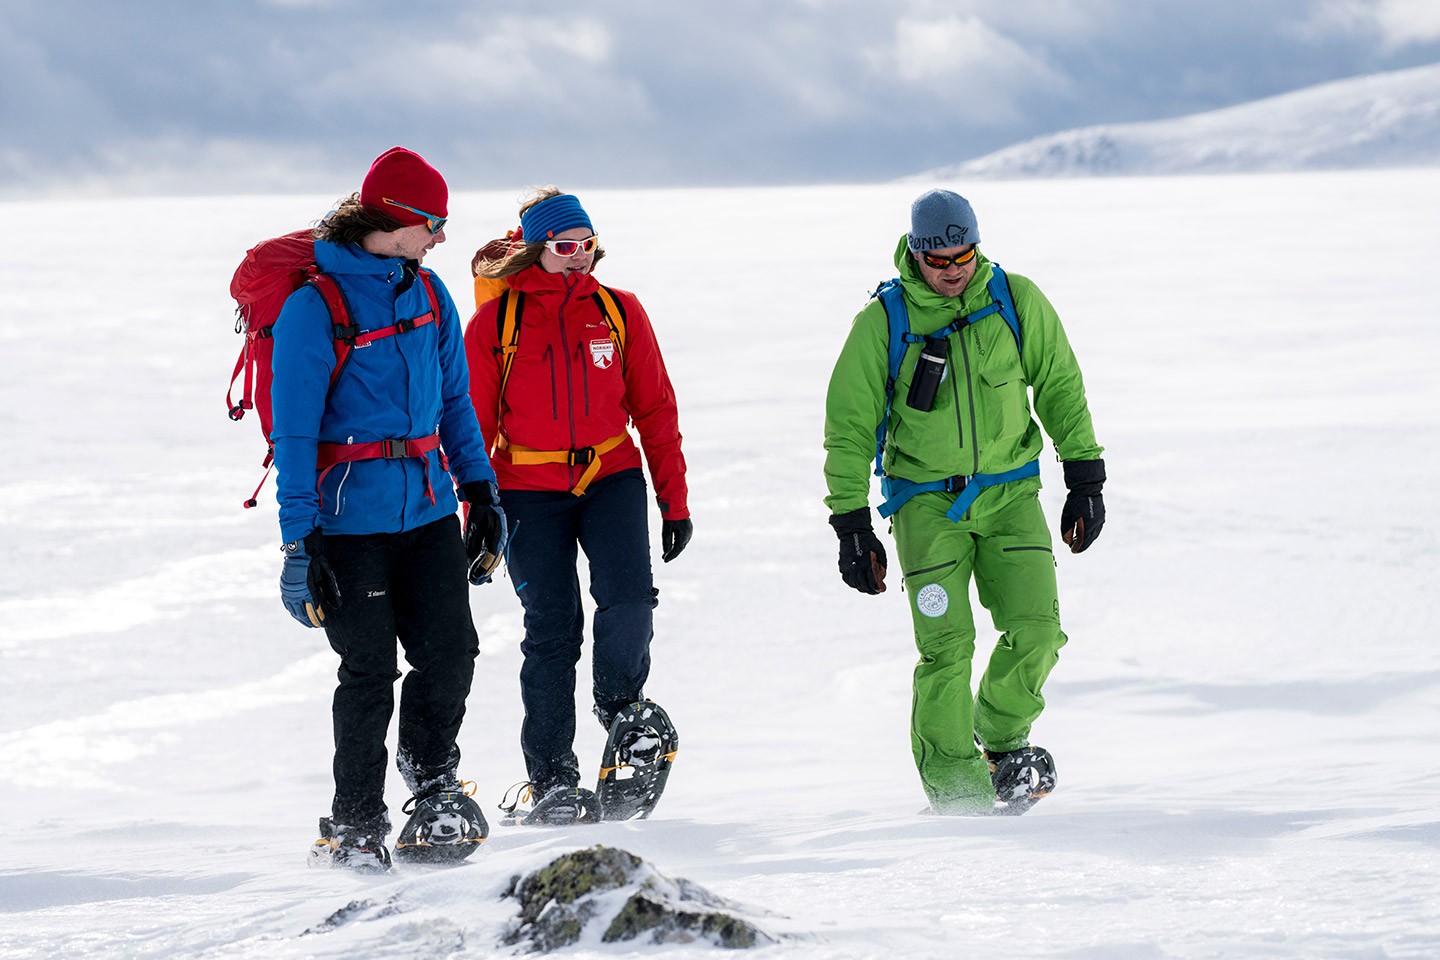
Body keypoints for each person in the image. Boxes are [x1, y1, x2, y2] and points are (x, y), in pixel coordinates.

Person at [822, 189, 1106, 816]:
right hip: (925, 506)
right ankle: (958, 797)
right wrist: (851, 522)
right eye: (939, 258)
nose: (953, 270)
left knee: (1038, 631)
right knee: (947, 649)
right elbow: (848, 423)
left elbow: (1059, 382)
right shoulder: (884, 322)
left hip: (1010, 495)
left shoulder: (1015, 299)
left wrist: (1085, 476)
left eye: (964, 255)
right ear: (915, 254)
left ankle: (999, 741)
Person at [270, 146, 508, 870]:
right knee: (369, 670)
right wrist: (299, 543)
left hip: (430, 508)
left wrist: (479, 491)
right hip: (349, 527)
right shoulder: (316, 307)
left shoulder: (432, 293)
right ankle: (354, 823)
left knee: (452, 652)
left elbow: (457, 403)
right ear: (397, 220)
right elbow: (296, 431)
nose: (440, 238)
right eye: (432, 223)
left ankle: (432, 781)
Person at [464, 189, 691, 824]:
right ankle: (552, 778)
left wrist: (674, 502)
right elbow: (471, 427)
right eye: (567, 246)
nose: (580, 257)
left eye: (589, 244)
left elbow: (655, 409)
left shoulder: (619, 312)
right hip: (527, 491)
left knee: (629, 598)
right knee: (553, 627)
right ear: (537, 250)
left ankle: (625, 717)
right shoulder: (495, 324)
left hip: (612, 476)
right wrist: (475, 515)